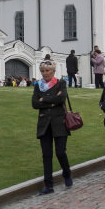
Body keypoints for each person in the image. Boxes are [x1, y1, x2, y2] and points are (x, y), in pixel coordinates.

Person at [32, 60, 72, 195]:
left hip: (59, 123)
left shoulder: (61, 83)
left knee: (60, 152)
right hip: (44, 124)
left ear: (53, 71)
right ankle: (48, 185)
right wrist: (52, 100)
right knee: (46, 155)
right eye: (42, 71)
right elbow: (35, 104)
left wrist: (45, 100)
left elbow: (61, 100)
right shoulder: (38, 86)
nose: (45, 73)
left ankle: (67, 174)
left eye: (47, 70)